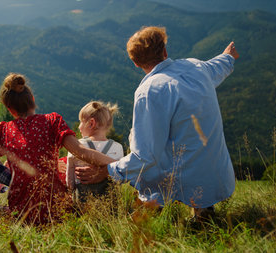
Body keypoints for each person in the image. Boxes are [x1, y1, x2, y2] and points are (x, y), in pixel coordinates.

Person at [76, 26, 239, 218]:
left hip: (182, 177)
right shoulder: (196, 67)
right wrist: (228, 55)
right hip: (217, 174)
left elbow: (145, 156)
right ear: (164, 51)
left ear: (135, 63)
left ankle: (152, 210)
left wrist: (108, 171)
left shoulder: (149, 91)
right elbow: (217, 66)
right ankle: (203, 210)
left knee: (151, 161)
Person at [0, 73, 115, 225]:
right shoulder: (52, 121)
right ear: (32, 99)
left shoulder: (2, 131)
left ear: (9, 109)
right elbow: (81, 151)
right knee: (64, 164)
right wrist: (120, 164)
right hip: (56, 209)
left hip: (21, 212)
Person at [66, 101, 124, 202]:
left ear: (91, 123)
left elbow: (69, 181)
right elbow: (120, 179)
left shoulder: (77, 147)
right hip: (110, 206)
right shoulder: (118, 148)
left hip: (83, 205)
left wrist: (70, 195)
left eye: (81, 121)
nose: (79, 127)